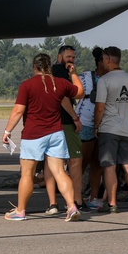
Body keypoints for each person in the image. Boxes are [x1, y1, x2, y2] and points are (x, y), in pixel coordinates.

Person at [2, 53, 84, 222]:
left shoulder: (27, 85)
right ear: (49, 67)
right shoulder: (60, 84)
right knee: (60, 172)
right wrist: (73, 73)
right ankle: (71, 206)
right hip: (56, 134)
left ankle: (21, 211)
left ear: (34, 67)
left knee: (26, 174)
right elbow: (80, 92)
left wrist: (7, 131)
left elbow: (18, 111)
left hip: (33, 135)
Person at [93, 46, 128, 213]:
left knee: (109, 166)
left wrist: (96, 125)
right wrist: (125, 118)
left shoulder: (105, 81)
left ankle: (112, 203)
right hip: (126, 129)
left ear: (107, 60)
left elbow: (100, 107)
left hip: (109, 129)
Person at [45, 45, 85, 214]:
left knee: (52, 161)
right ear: (59, 56)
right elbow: (66, 96)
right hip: (65, 121)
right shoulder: (60, 71)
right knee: (75, 160)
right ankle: (77, 200)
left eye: (73, 58)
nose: (71, 60)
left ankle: (53, 203)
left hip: (51, 122)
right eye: (68, 57)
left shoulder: (52, 72)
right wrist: (75, 118)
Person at [76, 47, 105, 209]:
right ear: (100, 61)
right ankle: (76, 197)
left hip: (102, 125)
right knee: (81, 164)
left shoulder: (111, 79)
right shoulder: (84, 77)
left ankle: (94, 198)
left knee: (98, 164)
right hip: (85, 123)